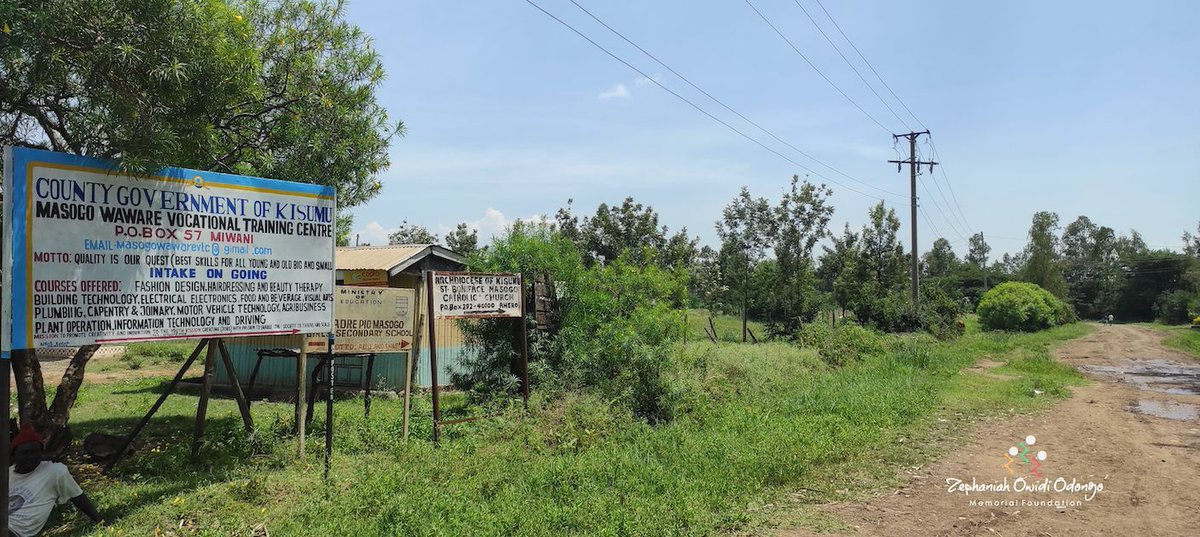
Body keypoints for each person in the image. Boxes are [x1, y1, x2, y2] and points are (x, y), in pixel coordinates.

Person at [8, 425, 105, 536]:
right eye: (24, 453)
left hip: (14, 530)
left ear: (42, 453)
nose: (30, 457)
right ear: (14, 455)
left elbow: (77, 496)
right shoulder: (8, 473)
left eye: (34, 452)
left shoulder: (54, 472)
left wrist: (99, 520)